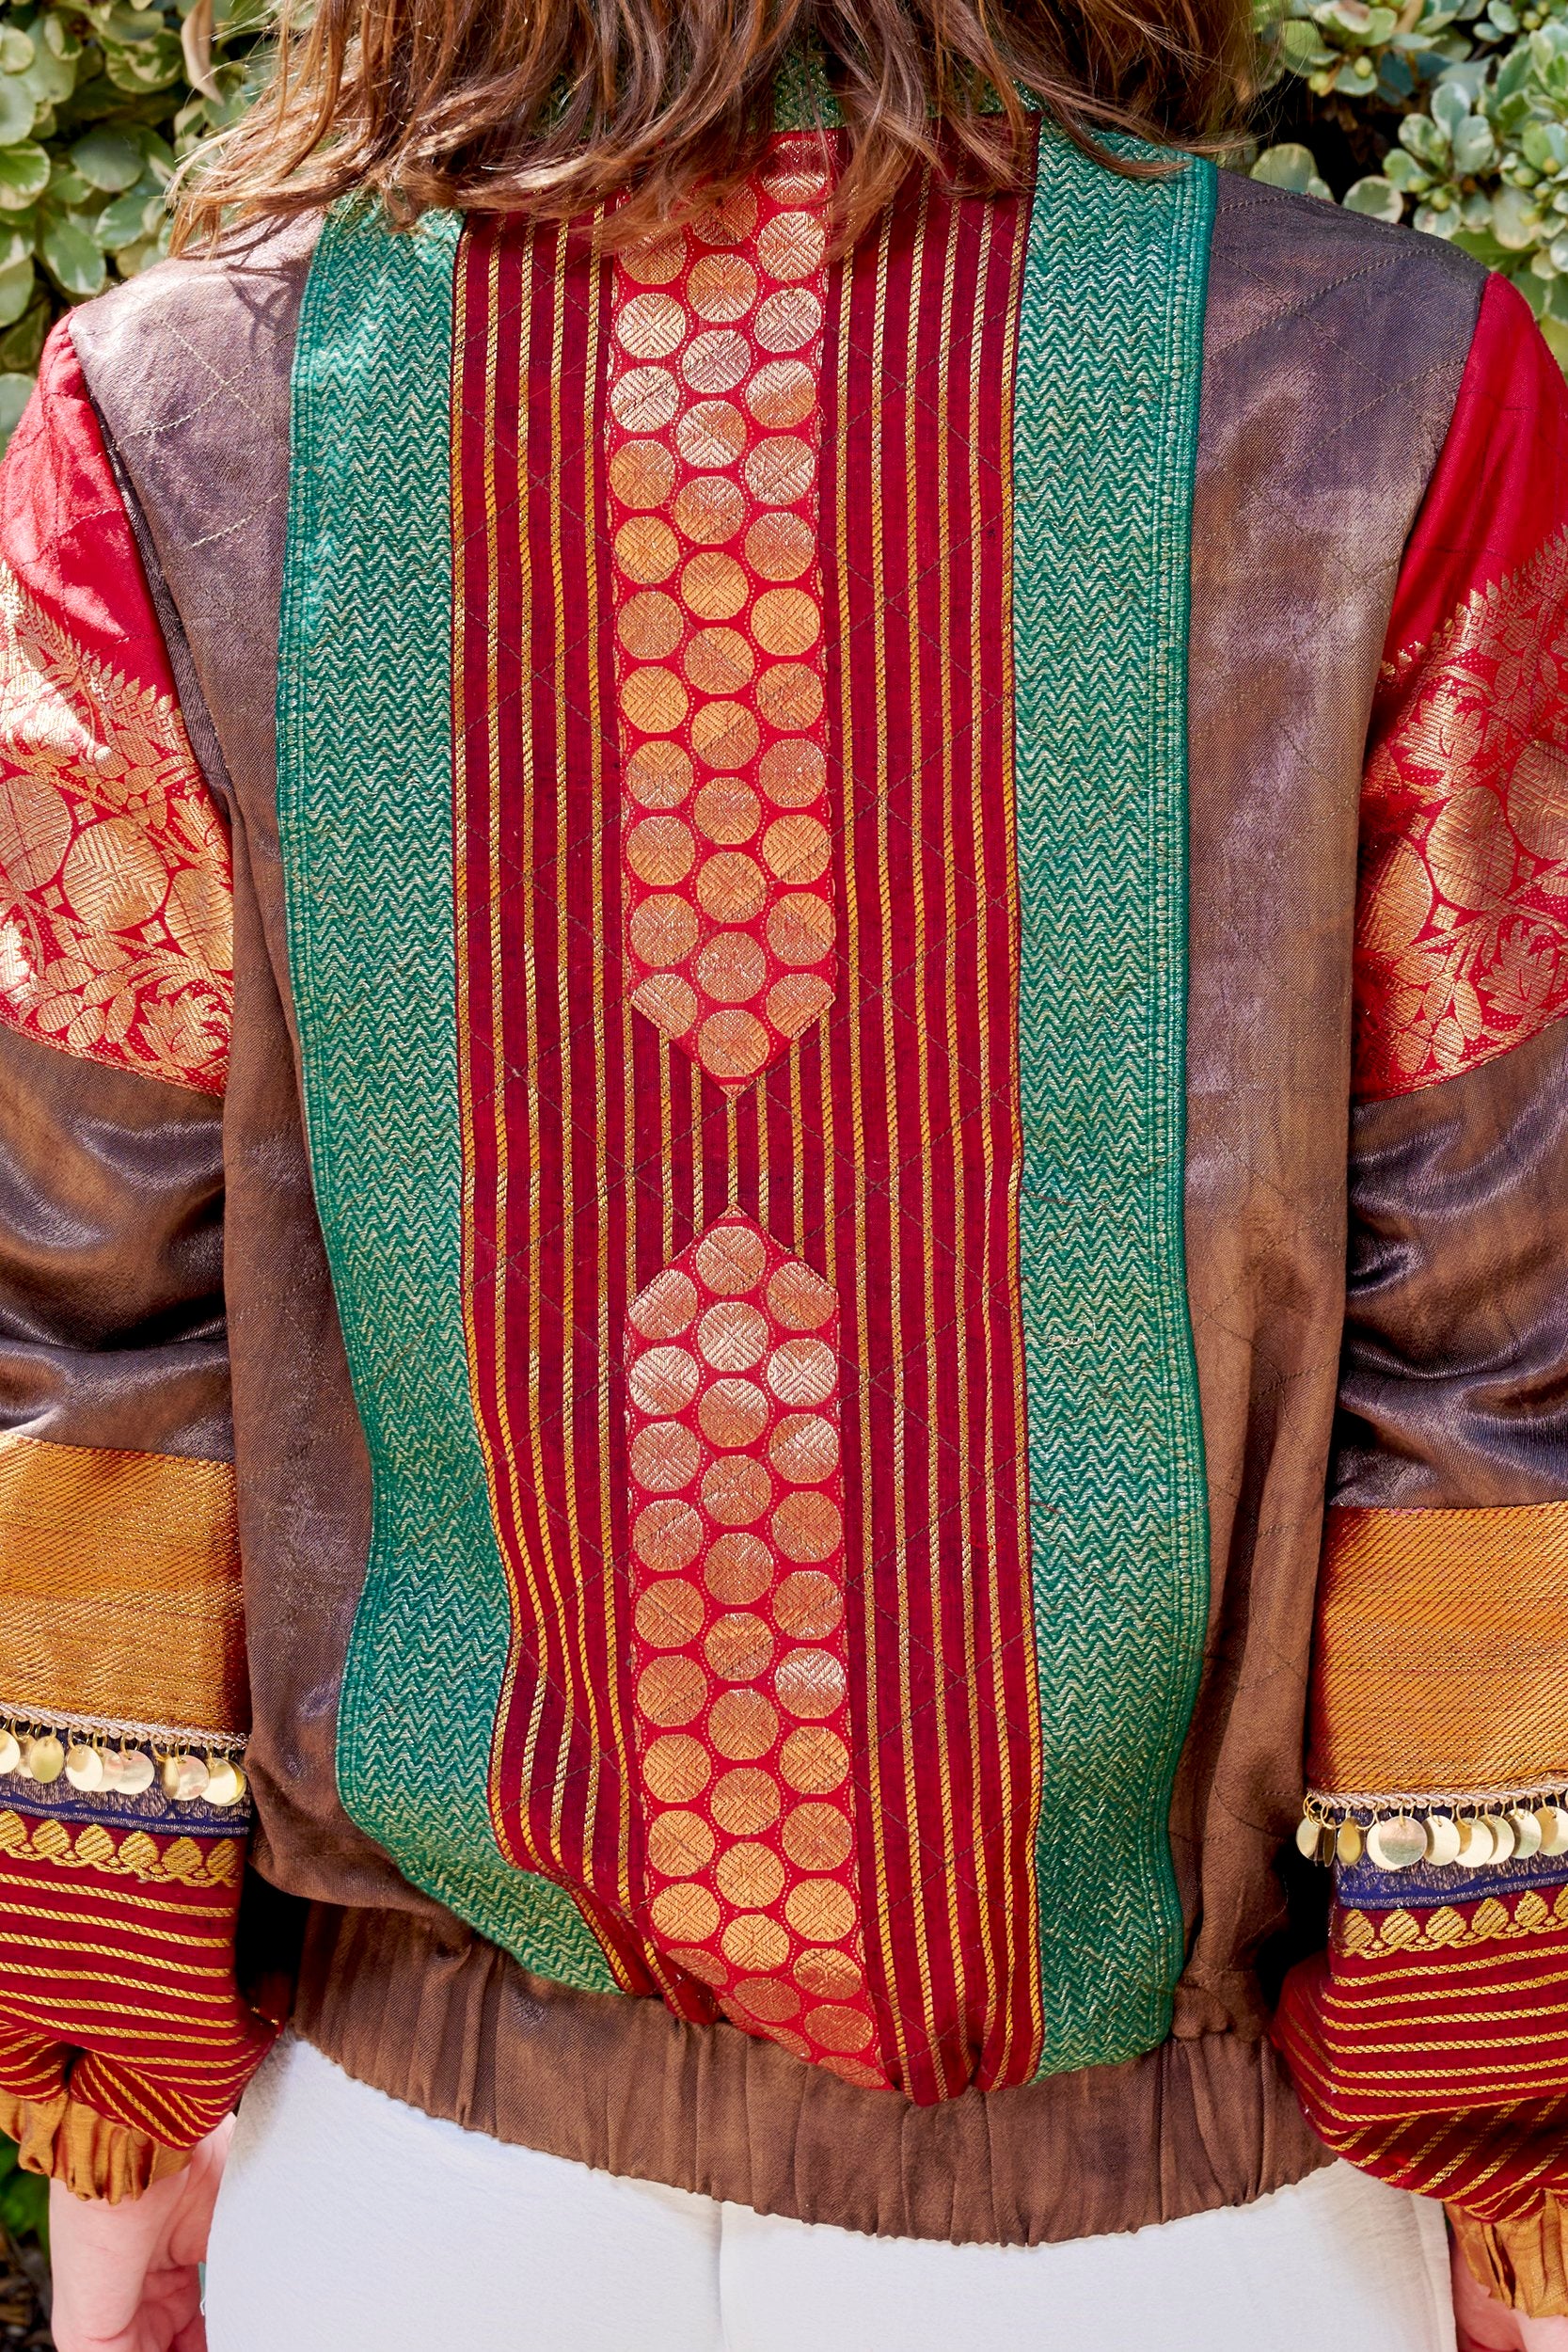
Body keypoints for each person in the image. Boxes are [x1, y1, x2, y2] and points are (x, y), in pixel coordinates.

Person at [0, 0, 1563, 2341]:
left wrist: (115, 2114)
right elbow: (1498, 1320)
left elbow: (90, 1323)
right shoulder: (1383, 385)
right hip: (1193, 2223)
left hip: (429, 2187)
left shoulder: (185, 412)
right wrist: (1505, 2142)